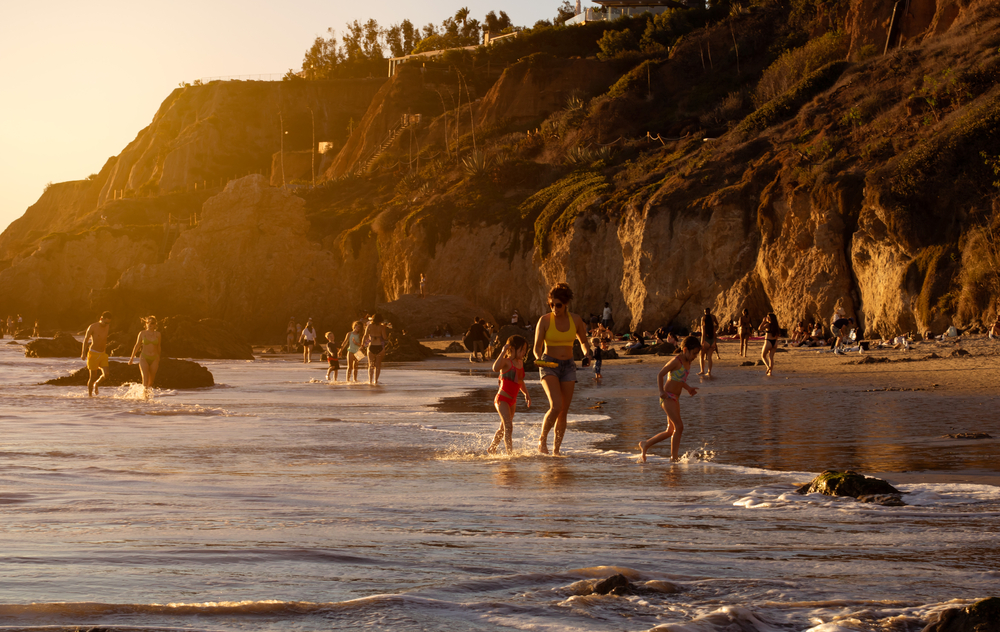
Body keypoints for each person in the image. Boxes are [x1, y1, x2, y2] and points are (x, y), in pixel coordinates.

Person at [533, 283, 594, 455]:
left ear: (566, 304)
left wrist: (586, 354)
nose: (554, 308)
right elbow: (536, 347)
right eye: (551, 304)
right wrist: (539, 359)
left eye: (558, 305)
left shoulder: (575, 320)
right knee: (556, 406)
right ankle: (542, 439)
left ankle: (556, 450)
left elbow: (583, 341)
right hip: (548, 365)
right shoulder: (544, 320)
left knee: (563, 411)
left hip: (568, 366)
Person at [638, 336, 701, 462]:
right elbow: (660, 374)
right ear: (685, 349)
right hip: (667, 396)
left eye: (697, 354)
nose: (695, 356)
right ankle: (674, 458)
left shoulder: (688, 362)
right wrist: (661, 391)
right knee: (679, 426)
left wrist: (688, 388)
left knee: (670, 430)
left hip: (675, 398)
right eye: (694, 353)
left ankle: (645, 444)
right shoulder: (676, 361)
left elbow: (679, 380)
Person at [488, 335, 531, 456]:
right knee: (508, 426)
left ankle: (492, 448)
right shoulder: (507, 362)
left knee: (503, 427)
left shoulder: (520, 363)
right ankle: (510, 454)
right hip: (502, 399)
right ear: (513, 348)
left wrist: (526, 394)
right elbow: (495, 368)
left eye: (525, 350)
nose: (524, 352)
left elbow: (520, 381)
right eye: (521, 349)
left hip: (513, 401)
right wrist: (502, 352)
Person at [128, 315, 162, 398]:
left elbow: (158, 346)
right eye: (148, 323)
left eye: (152, 323)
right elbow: (137, 345)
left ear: (155, 324)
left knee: (151, 382)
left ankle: (147, 397)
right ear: (146, 323)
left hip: (154, 358)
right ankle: (144, 398)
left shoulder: (158, 334)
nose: (150, 325)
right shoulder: (142, 333)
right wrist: (131, 358)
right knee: (145, 380)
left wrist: (158, 358)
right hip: (144, 357)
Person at [81, 311, 113, 397]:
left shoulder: (107, 326)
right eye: (105, 322)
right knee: (92, 377)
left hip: (103, 354)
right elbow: (86, 340)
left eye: (108, 323)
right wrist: (83, 353)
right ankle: (90, 396)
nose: (106, 324)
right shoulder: (93, 327)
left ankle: (97, 384)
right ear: (101, 318)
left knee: (106, 374)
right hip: (93, 354)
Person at [364, 314, 389, 385]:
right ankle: (376, 380)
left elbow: (365, 336)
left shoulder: (369, 326)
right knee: (378, 365)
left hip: (371, 346)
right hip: (379, 347)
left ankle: (370, 381)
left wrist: (363, 345)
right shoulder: (382, 327)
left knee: (370, 365)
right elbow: (384, 337)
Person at [759, 312, 780, 376]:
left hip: (768, 341)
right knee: (771, 357)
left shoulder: (768, 325)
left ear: (770, 318)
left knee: (763, 356)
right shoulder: (776, 326)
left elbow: (760, 328)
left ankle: (768, 367)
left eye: (767, 317)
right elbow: (777, 336)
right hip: (775, 342)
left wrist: (763, 322)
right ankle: (770, 372)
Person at [699, 307, 719, 376]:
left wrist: (702, 343)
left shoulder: (704, 326)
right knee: (710, 357)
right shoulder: (713, 326)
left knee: (701, 356)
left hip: (706, 341)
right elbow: (715, 334)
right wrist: (715, 343)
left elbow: (703, 335)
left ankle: (702, 371)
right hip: (712, 341)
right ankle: (709, 372)